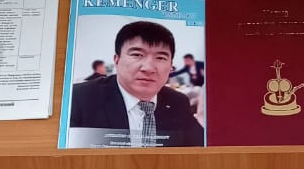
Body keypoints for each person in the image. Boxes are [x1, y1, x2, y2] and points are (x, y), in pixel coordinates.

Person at [70, 20, 204, 147]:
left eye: (160, 57)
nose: (148, 68)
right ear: (116, 60)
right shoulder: (79, 98)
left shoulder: (178, 102)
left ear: (170, 66)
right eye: (137, 55)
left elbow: (200, 148)